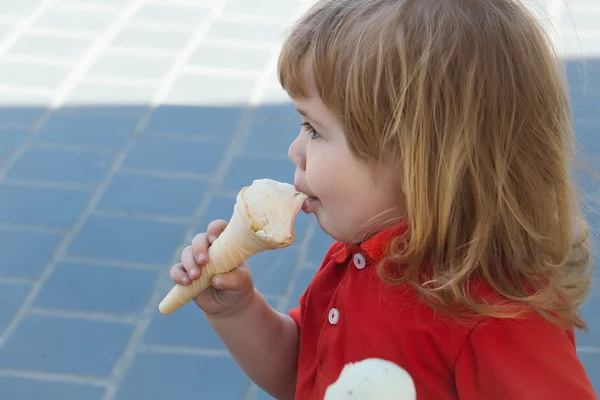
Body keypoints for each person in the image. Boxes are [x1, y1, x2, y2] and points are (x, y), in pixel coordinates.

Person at [169, 0, 597, 398]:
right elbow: (306, 374)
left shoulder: (499, 320)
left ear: (420, 162)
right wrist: (238, 312)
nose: (294, 150)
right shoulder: (357, 263)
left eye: (314, 129)